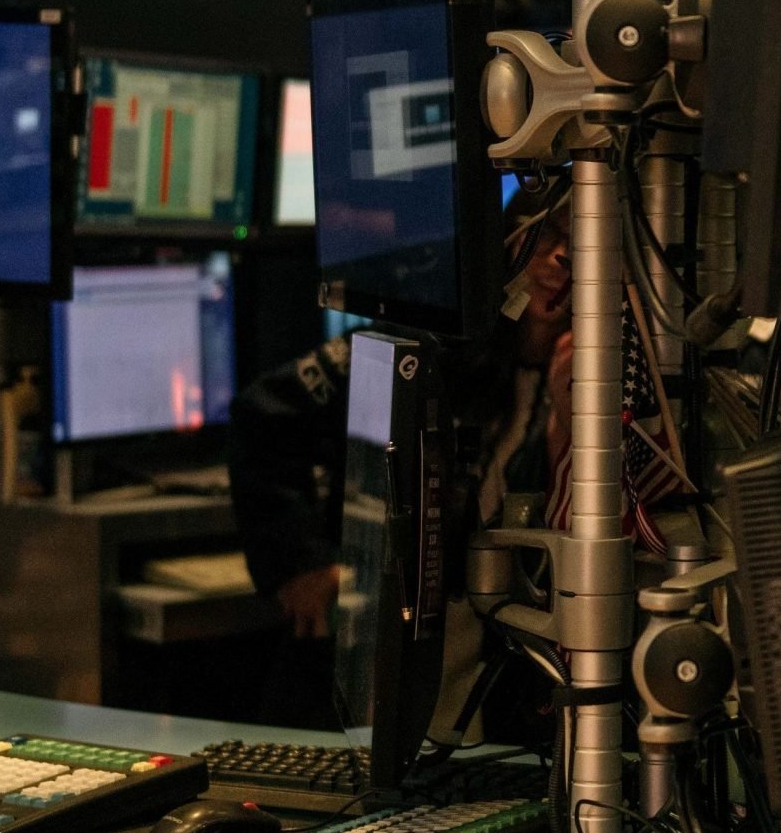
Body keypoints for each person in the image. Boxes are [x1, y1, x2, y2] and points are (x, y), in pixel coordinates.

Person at [228, 204, 571, 725]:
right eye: (545, 237)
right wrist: (298, 561)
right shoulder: (425, 338)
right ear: (503, 249)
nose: (562, 257)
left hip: (487, 685)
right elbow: (266, 413)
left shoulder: (589, 382)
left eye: (580, 241)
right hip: (361, 667)